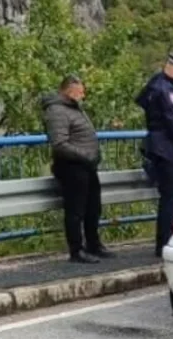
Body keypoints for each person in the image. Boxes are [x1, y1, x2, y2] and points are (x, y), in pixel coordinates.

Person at [42, 75, 115, 263]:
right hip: (72, 167)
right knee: (75, 210)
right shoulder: (57, 111)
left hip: (86, 166)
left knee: (93, 207)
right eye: (80, 91)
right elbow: (59, 143)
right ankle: (76, 250)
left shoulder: (74, 109)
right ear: (69, 90)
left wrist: (92, 156)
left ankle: (94, 244)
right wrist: (85, 155)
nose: (83, 95)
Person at [135, 53, 173, 257]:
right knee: (171, 197)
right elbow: (172, 119)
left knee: (169, 197)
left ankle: (164, 241)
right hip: (166, 146)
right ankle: (164, 243)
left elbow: (141, 101)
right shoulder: (165, 89)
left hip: (157, 144)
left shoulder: (154, 84)